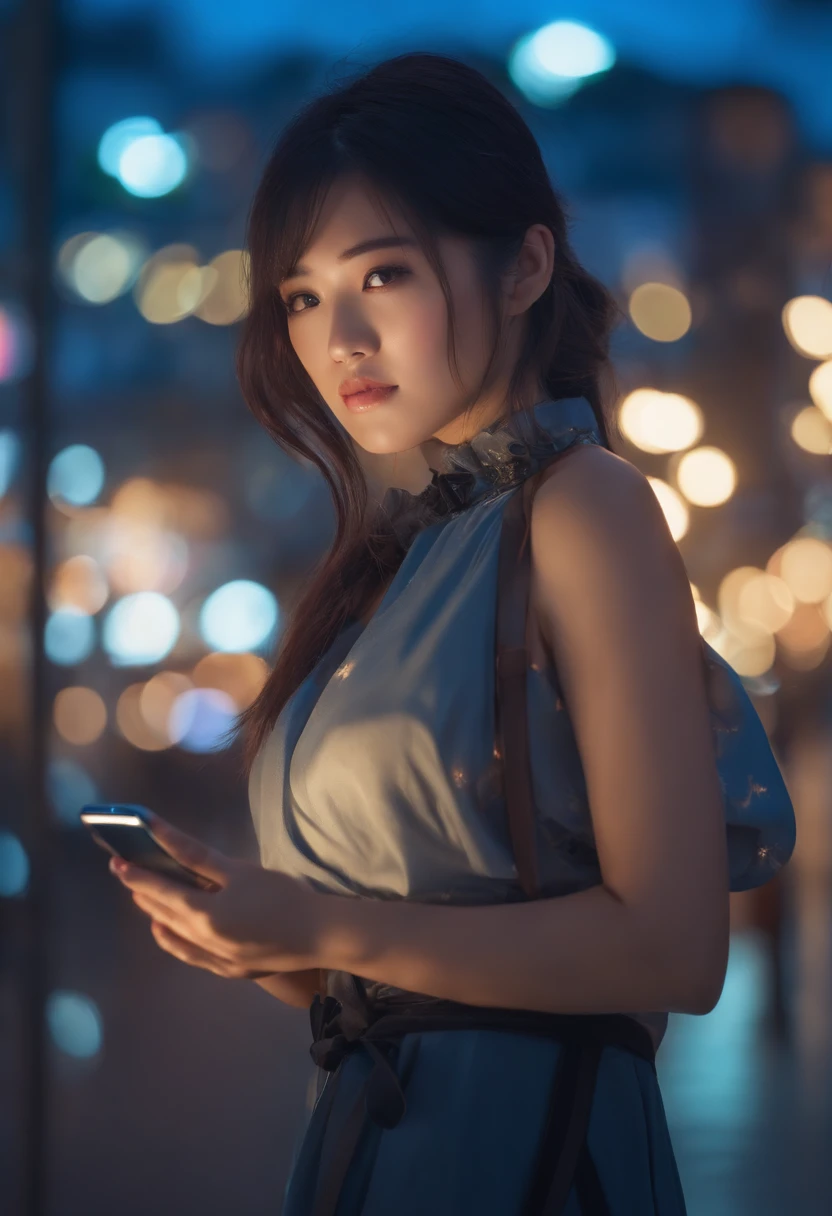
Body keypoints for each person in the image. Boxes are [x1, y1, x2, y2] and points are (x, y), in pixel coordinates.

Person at [110, 51, 794, 1215]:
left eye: (383, 274)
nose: (339, 339)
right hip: (380, 1144)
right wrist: (268, 943)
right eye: (304, 295)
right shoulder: (408, 552)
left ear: (526, 263)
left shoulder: (585, 507)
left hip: (530, 1152)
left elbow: (674, 950)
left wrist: (324, 922)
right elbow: (404, 961)